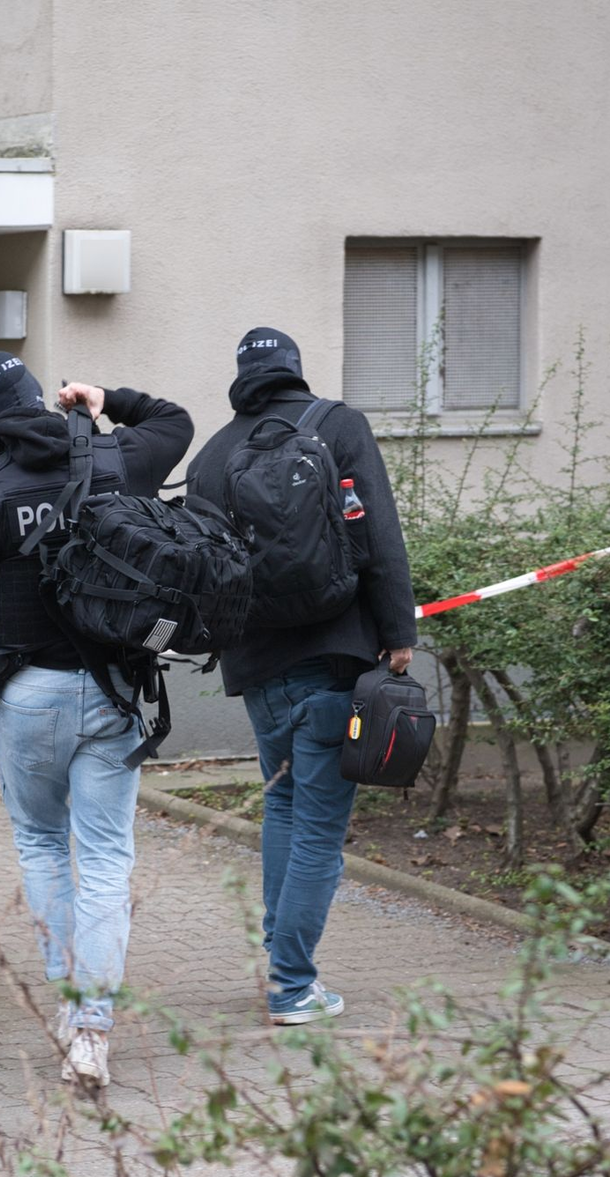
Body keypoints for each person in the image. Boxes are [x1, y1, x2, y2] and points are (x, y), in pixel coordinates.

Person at [0, 352, 193, 1086]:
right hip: (113, 693)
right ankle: (92, 1030)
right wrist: (110, 396)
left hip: (29, 698)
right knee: (106, 858)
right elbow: (177, 422)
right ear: (40, 396)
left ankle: (71, 1005)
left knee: (43, 847)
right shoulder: (115, 455)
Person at [187, 328, 416, 1025]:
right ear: (294, 369)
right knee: (318, 825)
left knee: (283, 806)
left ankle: (280, 955)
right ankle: (292, 984)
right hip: (333, 655)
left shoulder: (212, 457)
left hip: (256, 665)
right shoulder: (337, 425)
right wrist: (398, 630)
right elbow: (376, 531)